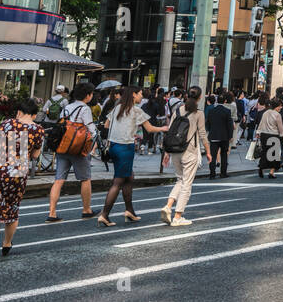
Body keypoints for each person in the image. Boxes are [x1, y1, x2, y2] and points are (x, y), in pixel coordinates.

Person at [0, 99, 43, 262]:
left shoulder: (7, 124)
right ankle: (7, 243)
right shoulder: (38, 130)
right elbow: (35, 156)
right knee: (12, 209)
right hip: (19, 174)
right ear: (34, 115)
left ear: (19, 113)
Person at [98, 86, 166, 226]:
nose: (142, 96)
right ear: (134, 95)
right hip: (125, 148)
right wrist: (164, 128)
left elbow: (106, 125)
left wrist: (127, 130)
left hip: (114, 147)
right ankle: (104, 214)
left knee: (129, 177)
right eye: (140, 94)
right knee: (118, 181)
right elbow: (150, 129)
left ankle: (130, 211)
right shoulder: (136, 110)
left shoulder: (118, 108)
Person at [45, 83, 97, 222]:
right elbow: (90, 129)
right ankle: (86, 210)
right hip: (78, 149)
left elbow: (62, 123)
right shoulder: (85, 109)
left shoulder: (67, 107)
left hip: (64, 146)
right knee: (85, 179)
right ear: (88, 95)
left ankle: (52, 213)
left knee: (59, 180)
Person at [160, 92, 211, 228]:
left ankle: (168, 205)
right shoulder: (199, 113)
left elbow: (170, 131)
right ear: (200, 98)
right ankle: (177, 216)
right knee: (187, 183)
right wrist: (209, 152)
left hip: (175, 150)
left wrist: (166, 152)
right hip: (189, 151)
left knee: (180, 180)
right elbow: (202, 134)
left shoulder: (177, 110)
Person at [206, 93, 234, 179]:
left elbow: (208, 123)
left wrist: (210, 130)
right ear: (225, 101)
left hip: (214, 135)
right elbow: (229, 125)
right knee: (224, 155)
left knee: (213, 155)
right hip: (224, 136)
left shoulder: (211, 111)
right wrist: (230, 136)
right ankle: (223, 173)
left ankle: (212, 173)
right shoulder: (227, 111)